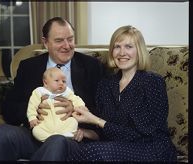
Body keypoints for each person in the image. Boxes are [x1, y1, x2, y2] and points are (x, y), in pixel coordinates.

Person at [0, 17, 108, 161]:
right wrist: (34, 112)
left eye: (70, 39)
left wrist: (75, 109)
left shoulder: (92, 66)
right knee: (1, 133)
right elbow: (9, 108)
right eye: (59, 40)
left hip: (70, 138)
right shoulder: (28, 67)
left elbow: (107, 110)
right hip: (35, 134)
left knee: (56, 141)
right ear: (46, 42)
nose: (66, 46)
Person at [67, 25, 177, 161]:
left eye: (129, 47)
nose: (122, 53)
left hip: (152, 147)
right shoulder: (105, 84)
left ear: (139, 51)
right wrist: (86, 133)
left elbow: (146, 134)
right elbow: (104, 132)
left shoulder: (153, 82)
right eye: (117, 46)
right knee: (73, 148)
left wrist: (95, 119)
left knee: (94, 152)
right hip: (119, 146)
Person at [27, 67, 86, 142]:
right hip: (45, 124)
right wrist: (32, 117)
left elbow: (76, 99)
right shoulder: (39, 91)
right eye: (57, 81)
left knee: (73, 121)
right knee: (36, 130)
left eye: (64, 81)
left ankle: (65, 135)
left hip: (63, 123)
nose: (61, 83)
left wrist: (80, 106)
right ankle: (49, 138)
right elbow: (32, 104)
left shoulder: (66, 92)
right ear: (45, 83)